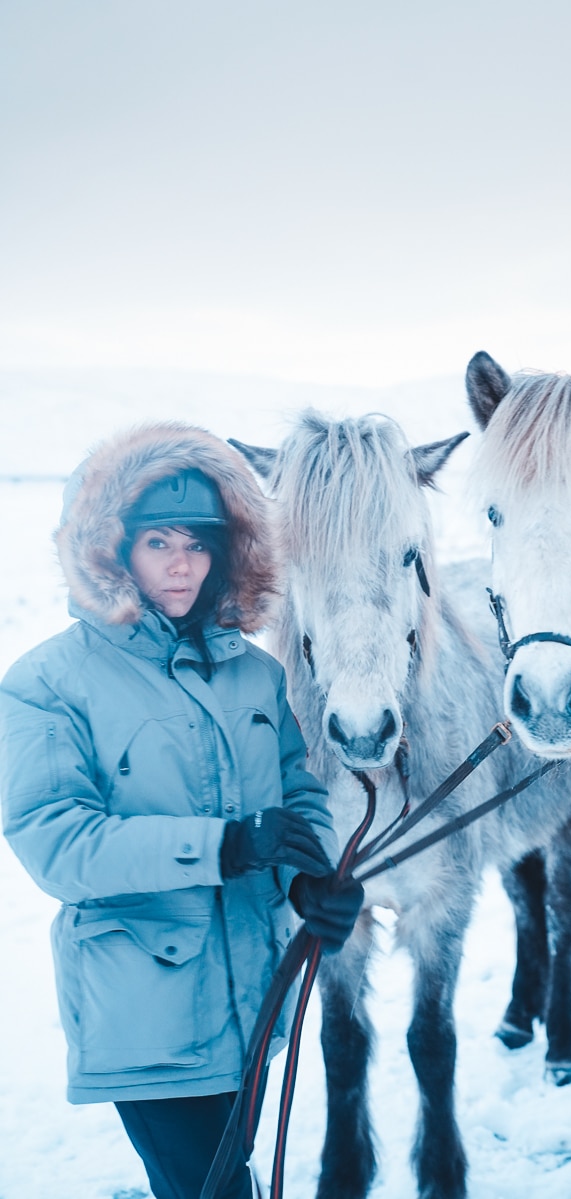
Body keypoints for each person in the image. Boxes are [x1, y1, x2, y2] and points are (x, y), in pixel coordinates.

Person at [0, 421, 363, 1199]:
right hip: (148, 1013)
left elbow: (296, 796)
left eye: (197, 543)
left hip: (254, 1002)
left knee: (226, 1181)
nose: (181, 564)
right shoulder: (47, 682)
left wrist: (312, 880)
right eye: (158, 541)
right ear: (112, 548)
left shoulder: (254, 675)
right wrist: (219, 845)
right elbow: (57, 842)